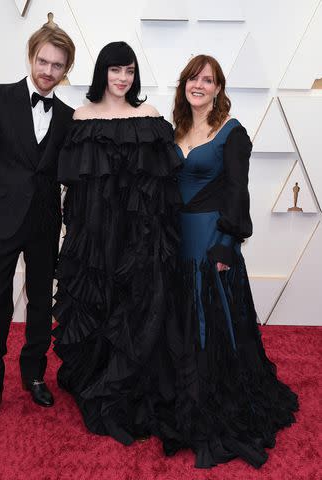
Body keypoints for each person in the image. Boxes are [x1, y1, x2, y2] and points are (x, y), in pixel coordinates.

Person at [170, 54, 298, 468]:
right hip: (177, 240)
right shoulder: (177, 130)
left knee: (212, 319)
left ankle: (213, 398)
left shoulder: (232, 132)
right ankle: (184, 390)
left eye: (208, 80)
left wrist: (227, 246)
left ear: (219, 88)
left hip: (211, 240)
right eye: (194, 78)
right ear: (184, 84)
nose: (200, 85)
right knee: (183, 317)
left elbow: (237, 192)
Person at [52, 41, 182, 444]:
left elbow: (163, 186)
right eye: (115, 70)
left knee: (137, 306)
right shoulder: (82, 117)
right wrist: (78, 237)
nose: (122, 78)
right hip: (95, 234)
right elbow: (75, 188)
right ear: (102, 73)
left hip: (138, 236)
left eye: (129, 71)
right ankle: (97, 372)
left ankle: (132, 379)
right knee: (98, 303)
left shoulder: (151, 116)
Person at [0, 16, 75, 427]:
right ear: (31, 57)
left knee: (41, 305)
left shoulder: (68, 115)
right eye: (43, 61)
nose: (48, 71)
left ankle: (35, 375)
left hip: (44, 223)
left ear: (66, 70)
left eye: (58, 65)